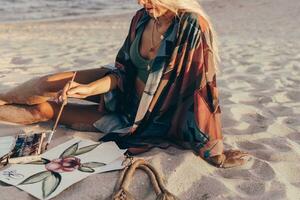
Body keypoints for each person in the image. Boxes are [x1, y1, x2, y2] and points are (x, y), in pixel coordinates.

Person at [0, 0, 249, 168]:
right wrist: (87, 90)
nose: (142, 2)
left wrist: (213, 151)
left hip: (140, 118)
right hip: (119, 92)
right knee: (47, 84)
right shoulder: (141, 18)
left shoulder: (191, 26)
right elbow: (122, 71)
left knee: (42, 111)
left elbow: (201, 89)